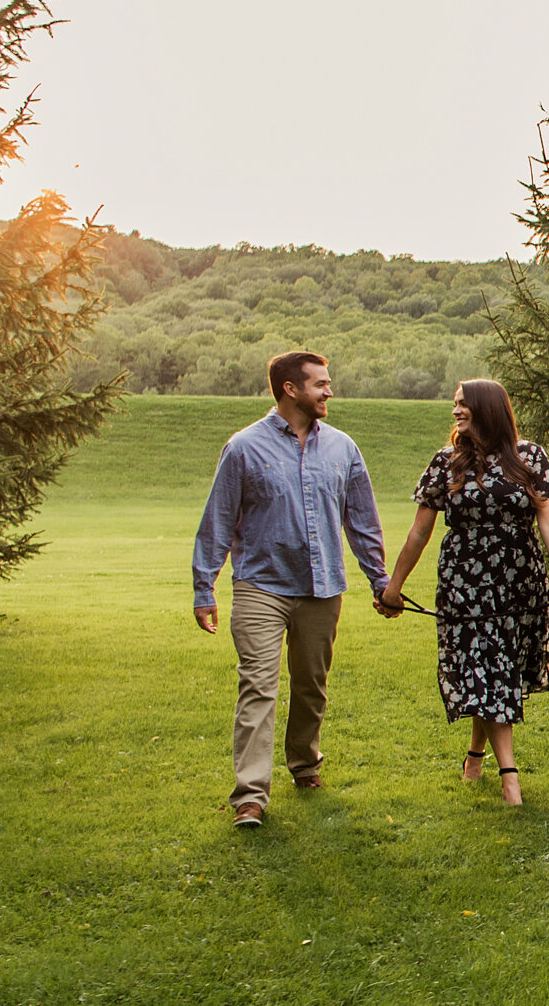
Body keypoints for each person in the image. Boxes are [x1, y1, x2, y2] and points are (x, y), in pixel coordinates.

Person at [193, 351, 388, 828]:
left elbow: (361, 522)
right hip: (261, 586)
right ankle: (250, 796)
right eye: (320, 384)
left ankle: (304, 764)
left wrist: (380, 580)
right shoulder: (243, 448)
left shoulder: (343, 448)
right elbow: (217, 521)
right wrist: (205, 588)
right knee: (258, 687)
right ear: (290, 389)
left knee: (310, 686)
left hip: (322, 590)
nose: (328, 391)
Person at [377, 378, 549, 806]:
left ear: (487, 408)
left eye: (463, 405)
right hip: (464, 583)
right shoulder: (445, 462)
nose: (455, 411)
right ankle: (510, 776)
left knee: (497, 669)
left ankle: (476, 753)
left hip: (518, 579)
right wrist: (392, 588)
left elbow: (547, 518)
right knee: (485, 666)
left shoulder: (528, 457)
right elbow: (420, 530)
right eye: (454, 405)